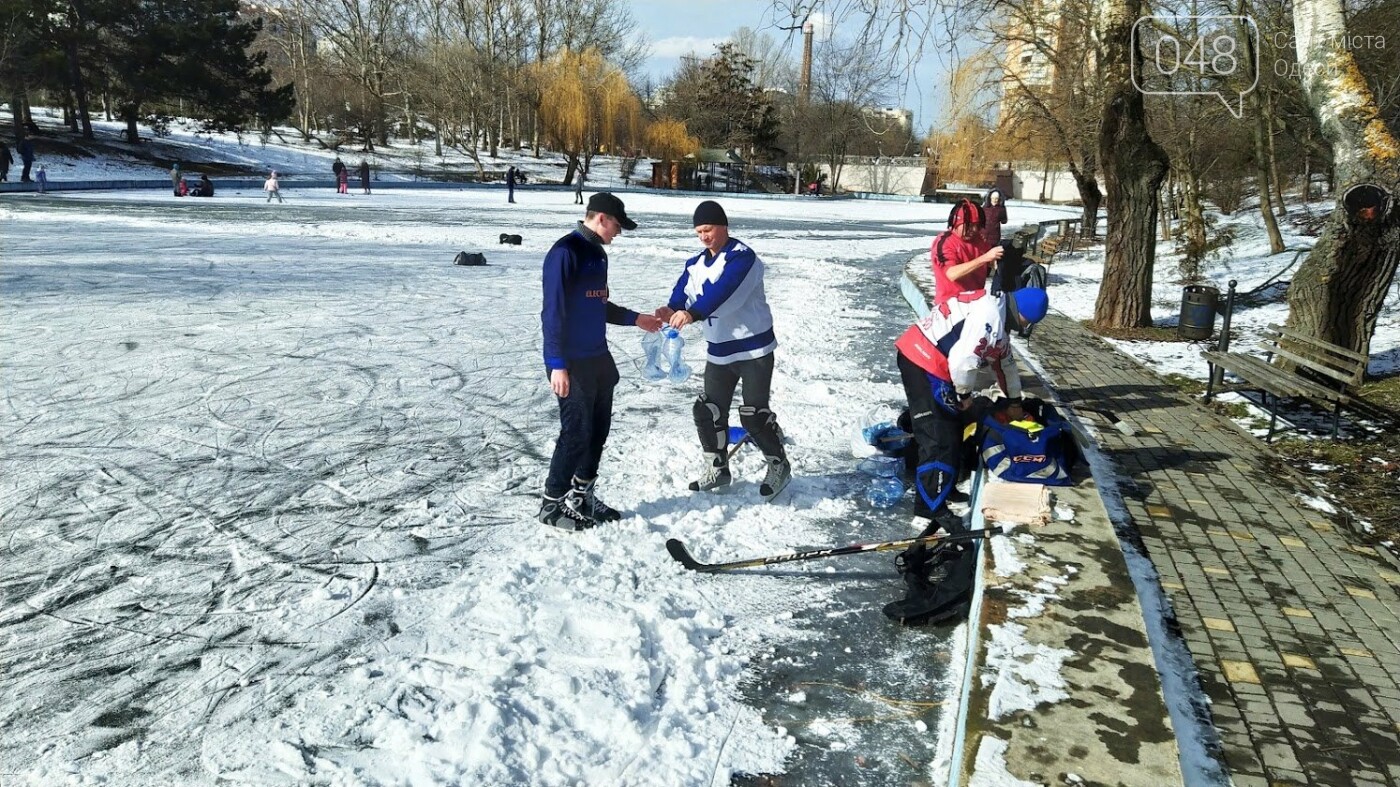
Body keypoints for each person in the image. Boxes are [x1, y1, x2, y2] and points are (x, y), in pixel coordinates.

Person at [882, 286, 1049, 626]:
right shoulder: (990, 316)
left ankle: (938, 491)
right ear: (1023, 317)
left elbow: (1005, 360)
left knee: (949, 430)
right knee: (939, 439)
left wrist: (1014, 400)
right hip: (923, 359)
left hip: (933, 360)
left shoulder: (999, 317)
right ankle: (931, 507)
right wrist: (963, 396)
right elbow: (963, 361)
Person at [538, 192, 663, 530]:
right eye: (618, 226)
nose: (618, 233)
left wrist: (636, 318)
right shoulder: (566, 252)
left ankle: (582, 495)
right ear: (602, 218)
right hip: (572, 362)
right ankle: (551, 506)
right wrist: (556, 363)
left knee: (598, 432)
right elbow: (553, 313)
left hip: (598, 358)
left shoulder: (597, 254)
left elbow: (598, 306)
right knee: (576, 433)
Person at [656, 200, 791, 501]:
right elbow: (683, 294)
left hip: (753, 348)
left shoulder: (743, 258)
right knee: (708, 410)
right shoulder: (694, 264)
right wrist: (672, 308)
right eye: (699, 231)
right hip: (719, 351)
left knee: (753, 415)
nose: (704, 236)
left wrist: (693, 313)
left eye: (709, 229)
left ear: (723, 226)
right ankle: (718, 467)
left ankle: (778, 464)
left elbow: (726, 292)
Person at [931, 198, 1003, 313]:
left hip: (974, 306)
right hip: (950, 309)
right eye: (969, 225)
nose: (974, 230)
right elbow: (951, 274)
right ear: (956, 222)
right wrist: (984, 258)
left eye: (977, 225)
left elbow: (991, 261)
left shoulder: (979, 240)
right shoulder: (945, 242)